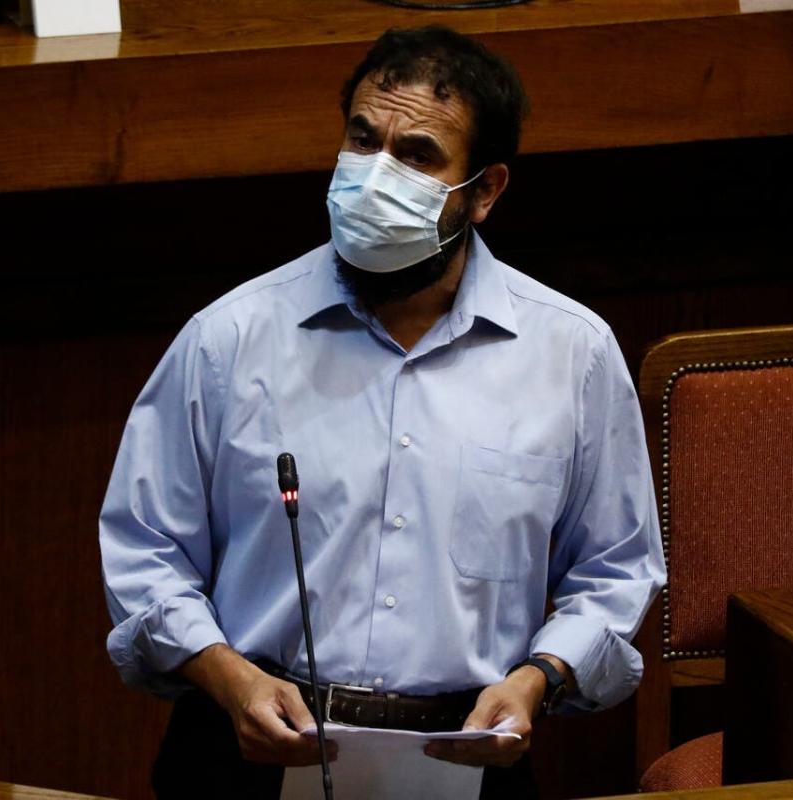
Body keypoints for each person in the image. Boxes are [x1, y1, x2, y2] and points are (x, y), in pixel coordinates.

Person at [99, 25, 666, 800]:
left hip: (463, 757)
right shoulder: (228, 338)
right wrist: (226, 676)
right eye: (363, 140)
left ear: (485, 191)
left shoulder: (571, 354)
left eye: (417, 155)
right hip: (249, 750)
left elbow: (615, 570)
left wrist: (538, 677)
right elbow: (144, 551)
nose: (376, 176)